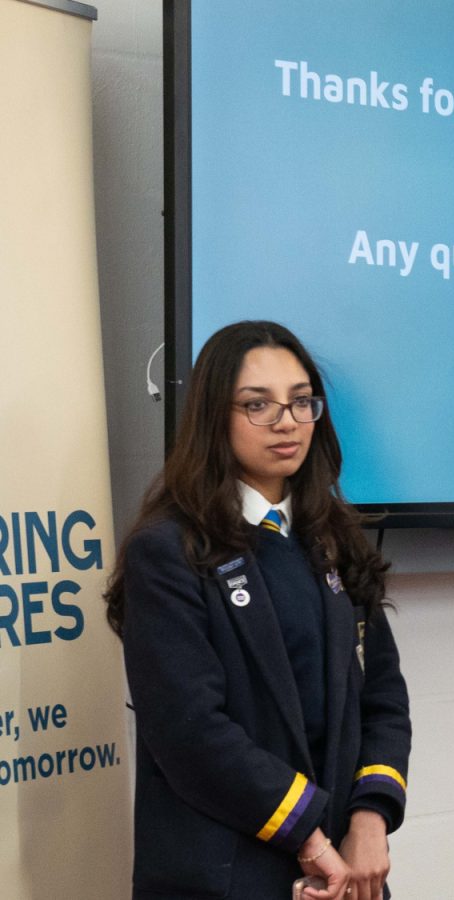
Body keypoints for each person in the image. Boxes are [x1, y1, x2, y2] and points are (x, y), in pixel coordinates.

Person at [105, 321, 410, 900]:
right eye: (257, 405)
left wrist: (369, 824)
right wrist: (313, 842)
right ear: (213, 417)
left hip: (346, 868)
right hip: (225, 869)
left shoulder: (334, 537)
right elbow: (190, 732)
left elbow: (384, 700)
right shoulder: (167, 549)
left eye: (300, 403)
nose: (287, 421)